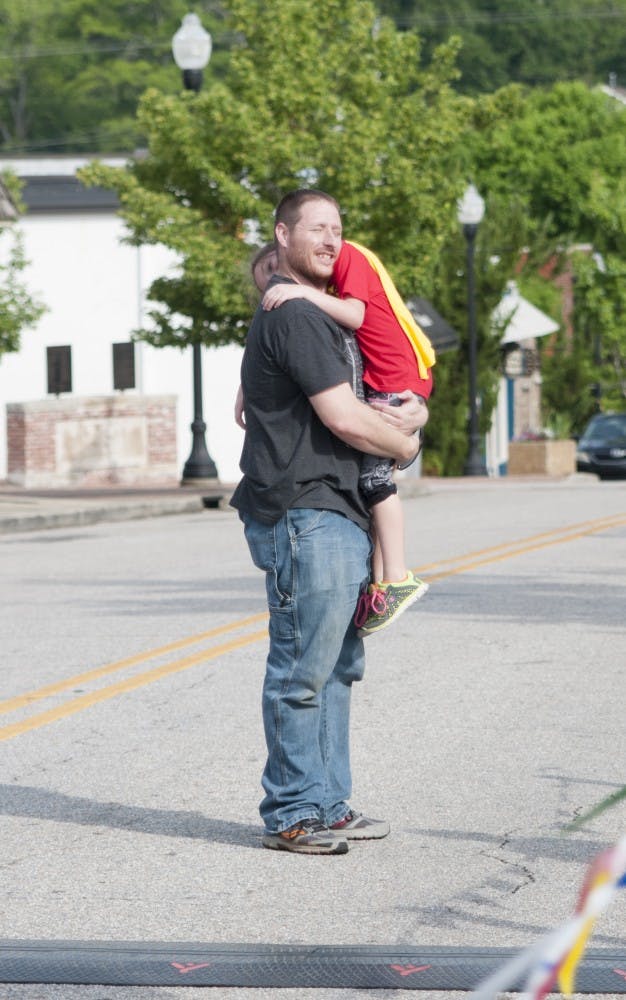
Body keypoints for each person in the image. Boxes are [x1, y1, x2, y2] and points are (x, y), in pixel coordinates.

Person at [231, 189, 423, 855]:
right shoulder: (296, 318)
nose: (330, 240)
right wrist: (403, 445)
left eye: (338, 229)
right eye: (316, 228)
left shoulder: (322, 317)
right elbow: (343, 417)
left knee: (338, 665)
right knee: (303, 667)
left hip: (336, 509)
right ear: (282, 234)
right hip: (303, 510)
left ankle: (328, 803)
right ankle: (292, 812)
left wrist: (412, 415)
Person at [251, 239, 434, 637]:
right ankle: (383, 583)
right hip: (392, 389)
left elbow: (345, 415)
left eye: (274, 276)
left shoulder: (334, 292)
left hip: (390, 388)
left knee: (377, 483)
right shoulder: (309, 316)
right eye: (265, 286)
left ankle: (395, 578)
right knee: (375, 487)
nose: (272, 290)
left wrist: (409, 436)